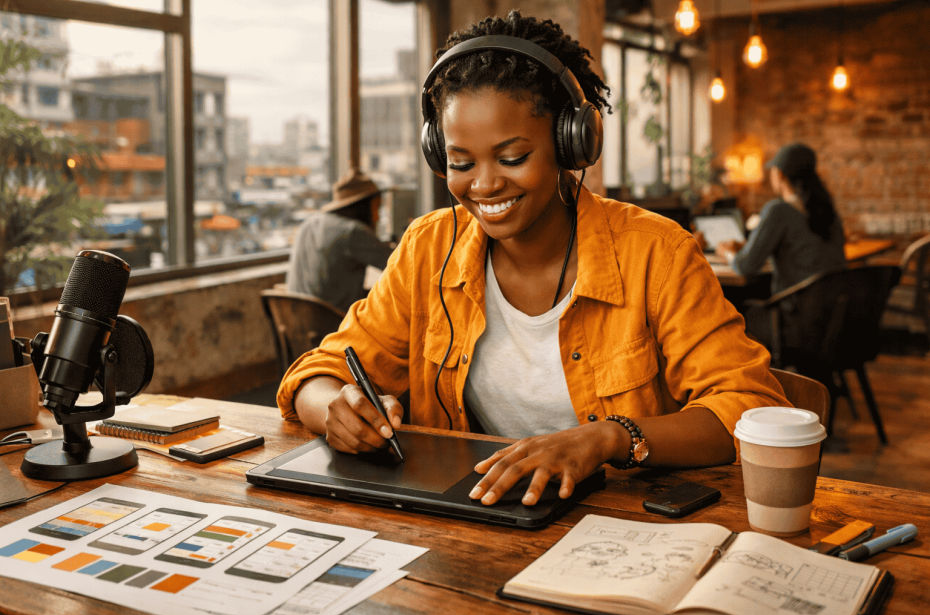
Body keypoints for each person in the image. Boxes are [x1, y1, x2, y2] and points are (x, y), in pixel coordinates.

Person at [278, 11, 789, 508]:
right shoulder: (428, 248)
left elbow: (750, 408)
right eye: (460, 163)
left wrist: (610, 439)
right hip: (476, 516)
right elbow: (317, 374)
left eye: (512, 158)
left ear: (571, 141)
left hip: (621, 521)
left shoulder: (656, 252)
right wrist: (335, 412)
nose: (483, 185)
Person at [715, 143, 846, 347]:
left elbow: (744, 267)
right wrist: (747, 247)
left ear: (781, 175)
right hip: (831, 321)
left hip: (795, 321)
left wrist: (728, 254)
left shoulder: (779, 211)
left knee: (734, 313)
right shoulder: (828, 212)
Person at [286, 168, 394, 313]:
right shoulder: (352, 231)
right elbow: (401, 266)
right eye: (377, 208)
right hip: (336, 325)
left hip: (296, 324)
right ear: (364, 206)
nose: (378, 218)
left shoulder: (307, 225)